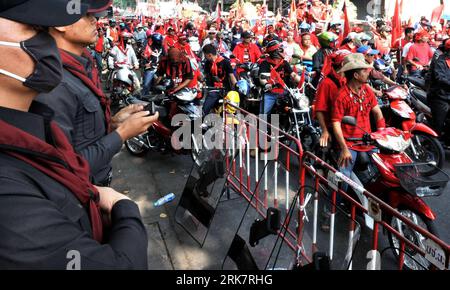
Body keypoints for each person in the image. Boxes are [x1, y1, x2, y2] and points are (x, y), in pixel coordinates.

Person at [0, 0, 153, 269]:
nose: (46, 41)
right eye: (36, 28)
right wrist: (125, 208)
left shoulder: (33, 122)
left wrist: (114, 126)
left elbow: (68, 152)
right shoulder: (10, 192)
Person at [36, 5, 153, 186]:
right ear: (60, 24)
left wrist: (113, 124)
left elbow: (82, 135)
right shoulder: (54, 85)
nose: (95, 20)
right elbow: (64, 168)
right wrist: (121, 134)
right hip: (84, 193)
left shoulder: (83, 64)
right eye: (87, 14)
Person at [331, 54, 385, 179]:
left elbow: (377, 112)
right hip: (350, 144)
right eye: (364, 71)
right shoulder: (341, 96)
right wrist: (344, 149)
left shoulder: (367, 90)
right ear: (356, 75)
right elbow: (336, 123)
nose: (368, 73)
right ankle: (337, 198)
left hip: (368, 140)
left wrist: (381, 133)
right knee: (343, 177)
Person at [314, 50, 351, 148]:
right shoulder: (326, 83)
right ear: (343, 64)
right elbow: (319, 110)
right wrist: (325, 131)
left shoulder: (348, 80)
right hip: (332, 126)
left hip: (348, 126)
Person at [258, 40, 302, 115]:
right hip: (270, 93)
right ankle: (263, 126)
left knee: (298, 107)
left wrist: (302, 81)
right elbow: (262, 78)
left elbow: (293, 74)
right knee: (263, 115)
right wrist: (267, 85)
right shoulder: (265, 63)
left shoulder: (284, 63)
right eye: (281, 49)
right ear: (274, 52)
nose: (283, 51)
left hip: (284, 92)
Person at [201, 44, 237, 115]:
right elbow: (205, 76)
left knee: (233, 109)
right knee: (205, 109)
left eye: (205, 55)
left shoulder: (225, 62)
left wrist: (236, 88)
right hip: (212, 90)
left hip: (225, 91)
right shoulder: (207, 63)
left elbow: (231, 76)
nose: (205, 57)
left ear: (209, 55)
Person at [428, 39, 450, 145]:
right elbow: (440, 78)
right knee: (438, 126)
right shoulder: (440, 60)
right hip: (440, 97)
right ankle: (432, 148)